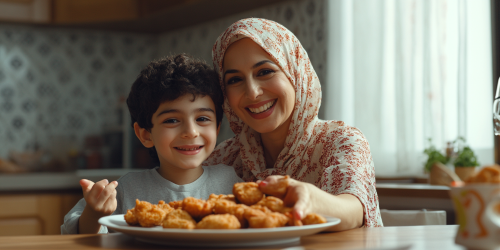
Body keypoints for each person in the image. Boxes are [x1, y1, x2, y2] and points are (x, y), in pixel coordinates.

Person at [204, 18, 383, 230]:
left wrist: (311, 199)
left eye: (264, 72)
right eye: (234, 80)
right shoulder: (224, 158)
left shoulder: (342, 141)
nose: (252, 92)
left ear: (295, 72)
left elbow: (354, 210)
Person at [61, 54, 242, 234]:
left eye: (202, 118)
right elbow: (71, 231)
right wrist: (94, 214)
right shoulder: (127, 189)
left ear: (217, 128)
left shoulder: (231, 182)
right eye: (171, 120)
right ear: (145, 135)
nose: (191, 132)